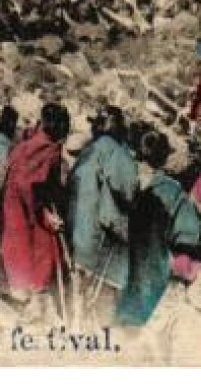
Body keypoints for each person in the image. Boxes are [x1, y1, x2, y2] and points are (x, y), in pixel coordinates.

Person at [115, 130, 201, 327]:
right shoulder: (173, 190)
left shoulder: (127, 174)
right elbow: (188, 236)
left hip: (121, 255)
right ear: (166, 156)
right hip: (154, 260)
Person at [0, 102, 69, 305]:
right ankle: (37, 294)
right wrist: (47, 213)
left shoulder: (23, 146)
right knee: (43, 246)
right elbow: (45, 187)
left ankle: (21, 292)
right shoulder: (52, 150)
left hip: (13, 202)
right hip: (31, 203)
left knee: (17, 245)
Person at [67, 105, 138, 305]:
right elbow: (124, 199)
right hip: (95, 244)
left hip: (75, 236)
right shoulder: (118, 154)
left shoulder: (88, 149)